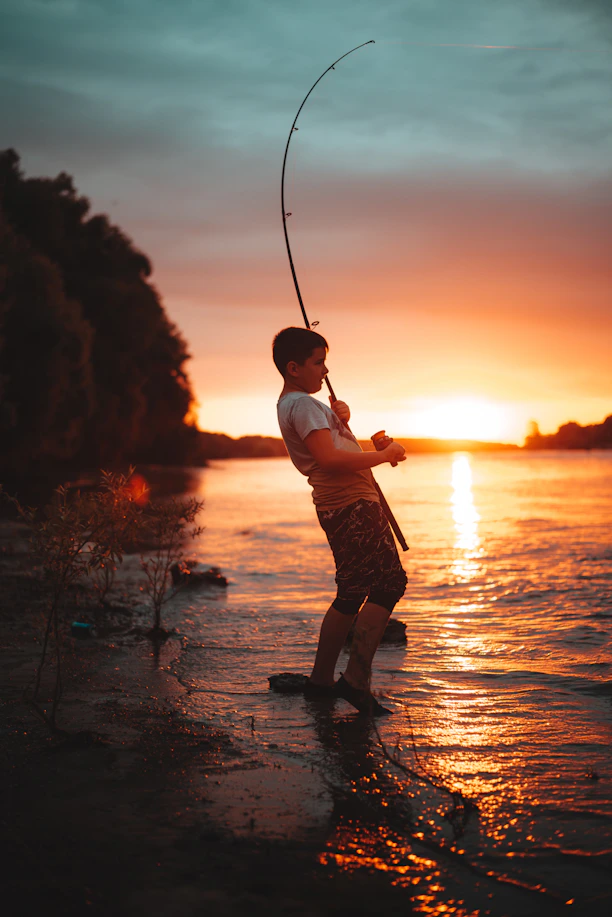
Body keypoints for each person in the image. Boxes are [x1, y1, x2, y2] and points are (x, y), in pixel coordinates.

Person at [273, 326, 407, 716]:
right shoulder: (302, 406)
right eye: (318, 362)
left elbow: (335, 448)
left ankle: (320, 682)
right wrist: (384, 455)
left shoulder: (298, 405)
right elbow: (330, 460)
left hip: (343, 504)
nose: (324, 369)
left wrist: (339, 420)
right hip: (351, 505)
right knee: (388, 584)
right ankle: (355, 680)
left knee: (352, 592)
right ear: (294, 367)